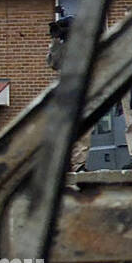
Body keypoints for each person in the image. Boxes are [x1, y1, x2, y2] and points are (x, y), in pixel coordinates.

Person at [46, 13, 92, 172]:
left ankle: (79, 164)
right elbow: (54, 64)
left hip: (81, 90)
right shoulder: (61, 46)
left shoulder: (84, 45)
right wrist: (55, 42)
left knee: (82, 131)